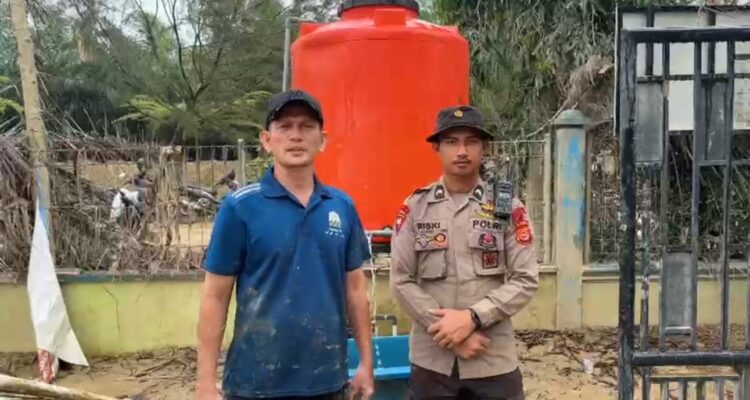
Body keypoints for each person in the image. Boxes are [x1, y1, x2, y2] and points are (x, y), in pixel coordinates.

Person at [196, 90, 375, 400]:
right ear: (267, 140)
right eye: (285, 126)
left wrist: (366, 363)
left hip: (327, 380)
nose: (296, 136)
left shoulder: (341, 206)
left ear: (323, 140)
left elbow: (356, 291)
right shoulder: (240, 208)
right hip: (255, 383)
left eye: (306, 126)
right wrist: (204, 382)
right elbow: (214, 297)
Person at [389, 105, 539, 400]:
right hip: (432, 364)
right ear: (437, 148)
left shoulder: (507, 207)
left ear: (485, 148)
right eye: (451, 142)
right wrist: (448, 332)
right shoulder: (416, 208)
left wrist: (473, 318)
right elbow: (401, 279)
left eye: (471, 142)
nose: (462, 151)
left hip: (492, 358)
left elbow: (525, 279)